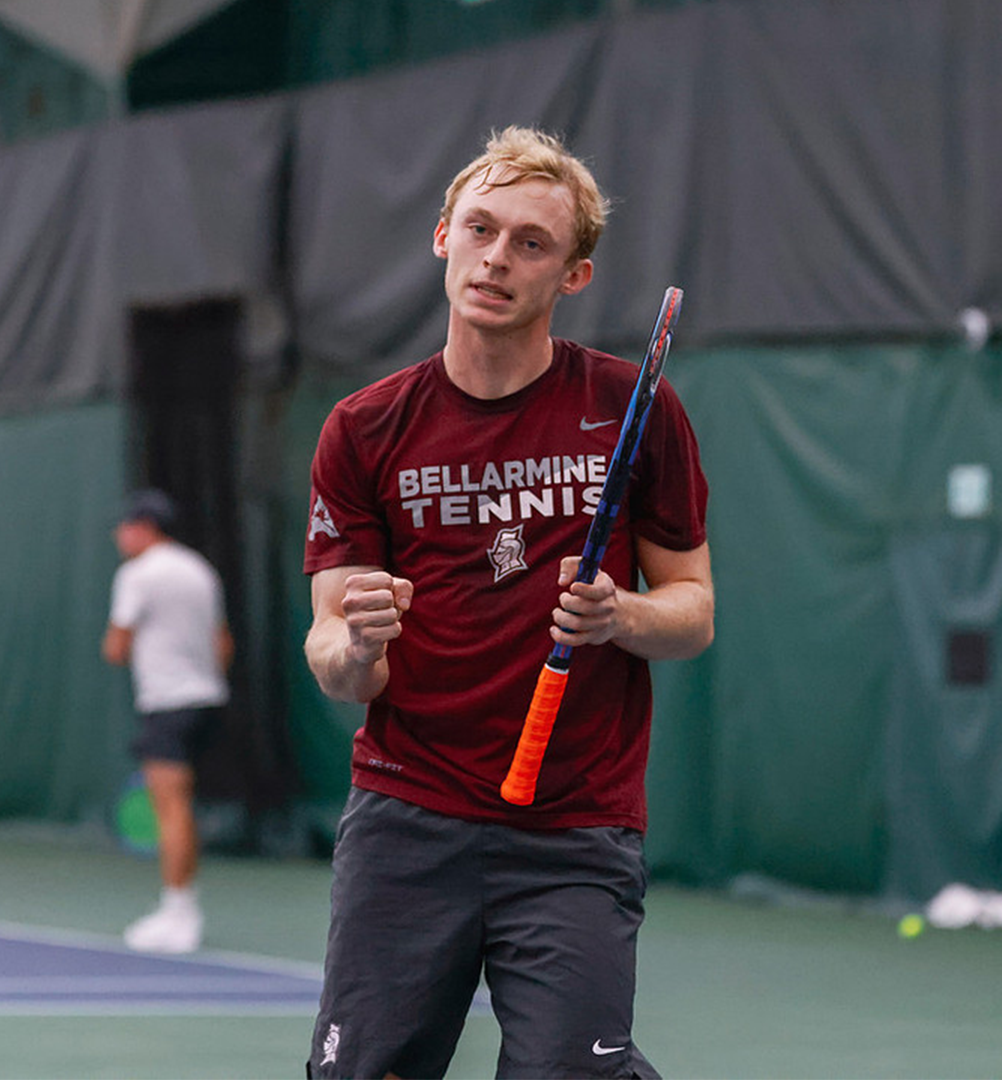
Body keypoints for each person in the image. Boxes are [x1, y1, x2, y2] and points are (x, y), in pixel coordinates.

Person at [302, 126, 713, 1078]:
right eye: (480, 228)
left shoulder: (633, 409)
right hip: (407, 819)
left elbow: (692, 607)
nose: (497, 257)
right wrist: (357, 646)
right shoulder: (363, 429)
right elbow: (330, 651)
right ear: (442, 235)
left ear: (572, 275)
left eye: (531, 243)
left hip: (575, 829)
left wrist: (623, 615)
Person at [103, 489, 233, 954]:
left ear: (143, 528)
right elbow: (223, 643)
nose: (119, 535)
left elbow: (115, 648)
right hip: (207, 701)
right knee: (182, 807)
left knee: (171, 809)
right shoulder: (200, 569)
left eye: (124, 526)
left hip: (167, 703)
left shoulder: (137, 574)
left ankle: (179, 913)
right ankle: (180, 906)